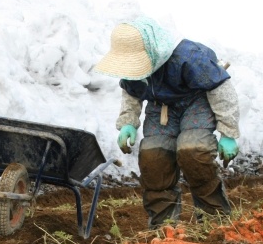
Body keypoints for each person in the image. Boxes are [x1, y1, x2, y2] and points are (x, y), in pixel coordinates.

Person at [94, 17, 241, 229]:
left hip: (196, 101)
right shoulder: (131, 67)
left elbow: (221, 89)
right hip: (161, 106)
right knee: (154, 157)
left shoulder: (189, 57)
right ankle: (164, 227)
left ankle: (213, 221)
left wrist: (228, 133)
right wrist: (128, 122)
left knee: (194, 151)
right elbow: (131, 92)